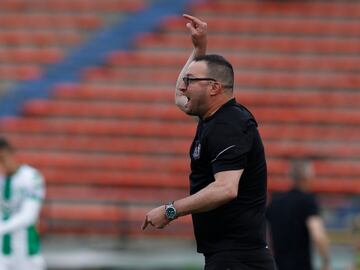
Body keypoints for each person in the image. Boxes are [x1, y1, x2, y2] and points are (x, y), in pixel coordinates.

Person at [142, 14, 275, 270]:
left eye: (191, 82)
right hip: (228, 255)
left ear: (214, 88)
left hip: (238, 258)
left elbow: (226, 188)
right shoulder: (212, 117)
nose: (183, 87)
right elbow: (178, 98)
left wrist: (171, 210)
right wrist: (198, 49)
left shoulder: (230, 125)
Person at [266, 159, 331, 270]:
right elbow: (318, 235)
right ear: (308, 177)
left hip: (278, 266)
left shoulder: (275, 201)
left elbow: (266, 237)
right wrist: (326, 262)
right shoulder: (308, 200)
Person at [0, 137, 46, 270]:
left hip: (26, 251)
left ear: (11, 155)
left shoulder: (32, 177)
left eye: (2, 158)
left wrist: (1, 228)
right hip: (2, 252)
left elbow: (29, 215)